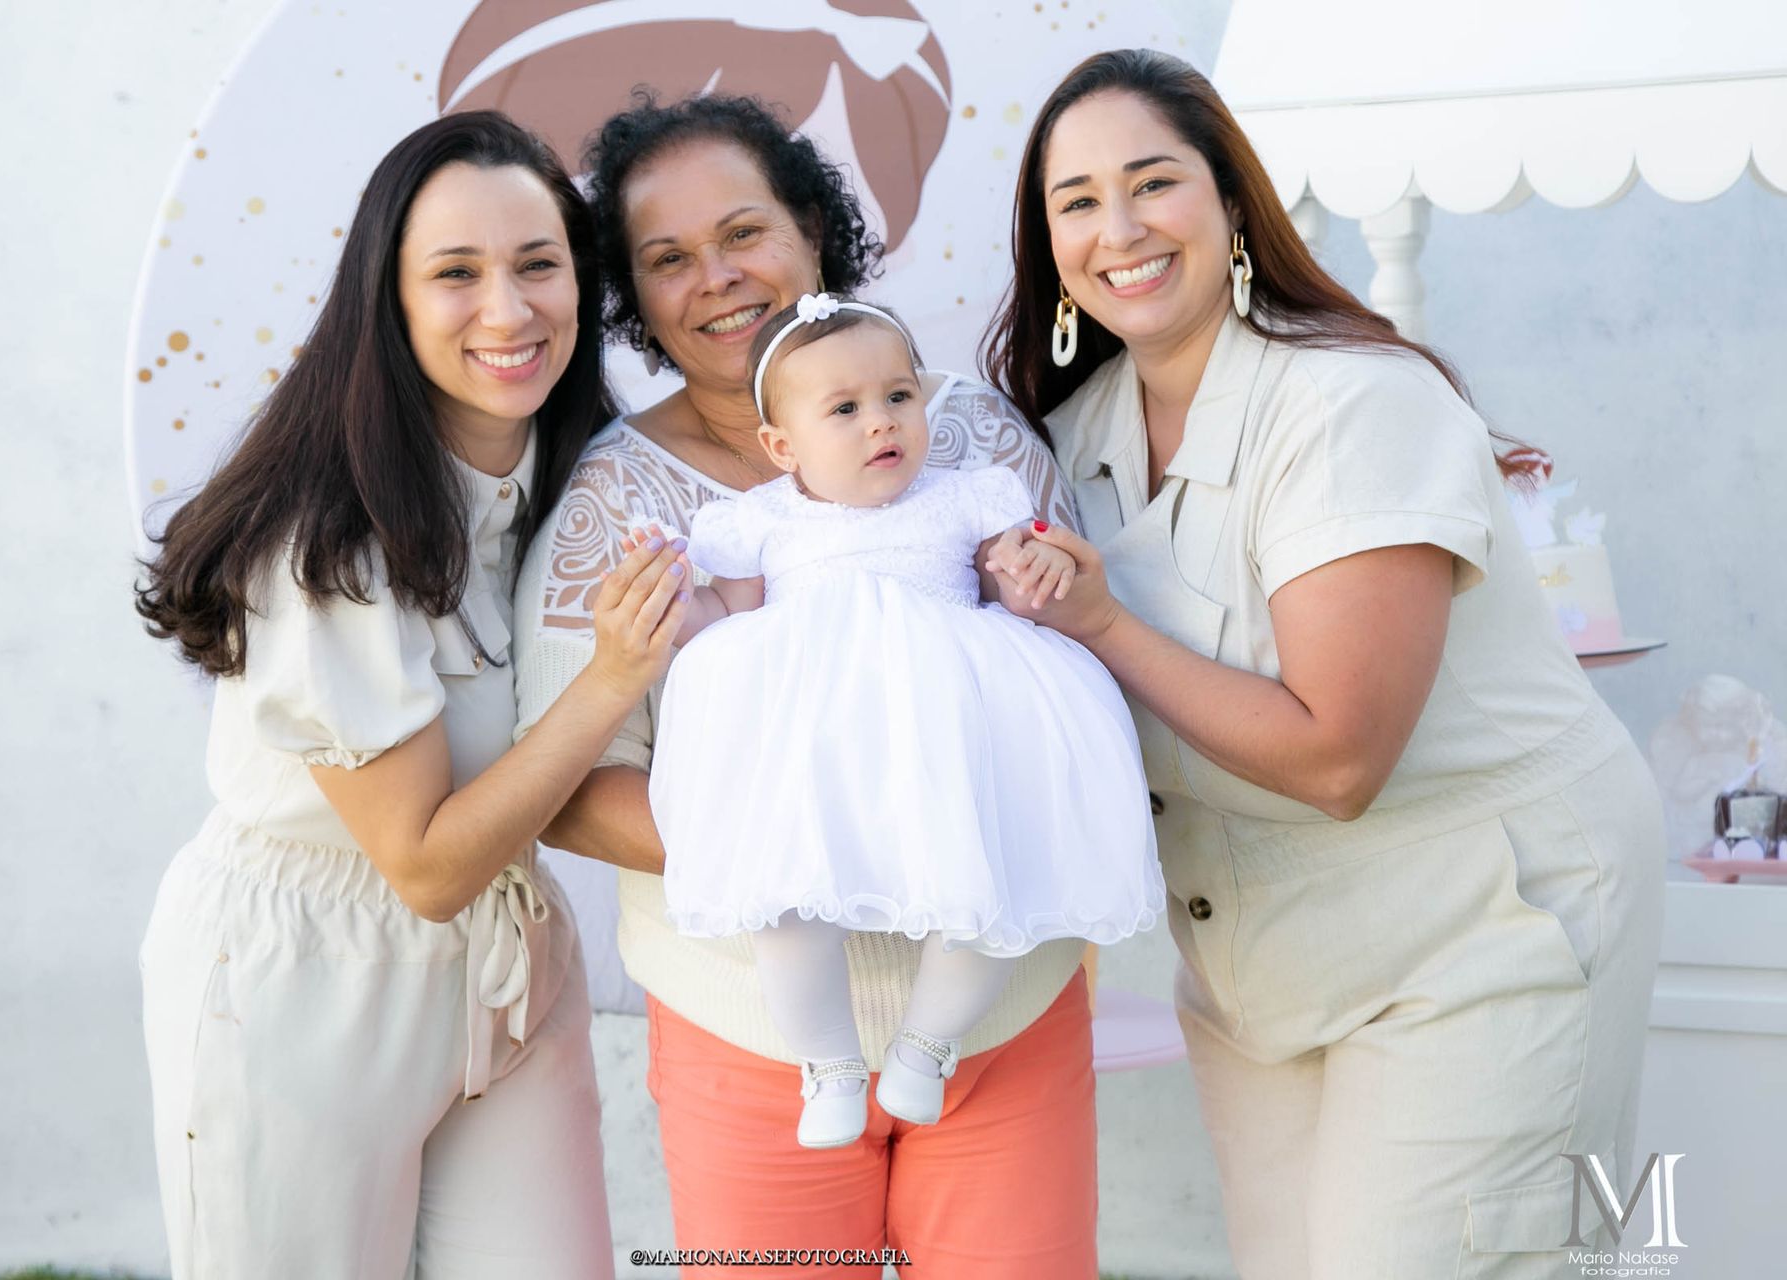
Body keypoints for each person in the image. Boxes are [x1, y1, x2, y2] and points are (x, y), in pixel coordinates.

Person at [983, 49, 1665, 1278]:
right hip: (1258, 960)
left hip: (1478, 927)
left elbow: (1341, 755)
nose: (1119, 228)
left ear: (1233, 202)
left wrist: (1102, 626)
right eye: (1076, 201)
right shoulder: (1066, 435)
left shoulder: (1353, 402)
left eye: (1154, 182)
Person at [511, 94, 1101, 1277]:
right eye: (667, 259)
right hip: (752, 1034)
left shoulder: (971, 438)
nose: (718, 278)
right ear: (632, 295)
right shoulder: (617, 504)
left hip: (1002, 1009)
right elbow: (569, 787)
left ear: (815, 234)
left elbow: (1075, 666)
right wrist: (820, 843)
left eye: (745, 233)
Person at [133, 111, 689, 1279]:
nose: (509, 308)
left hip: (512, 962)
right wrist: (607, 685)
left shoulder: (580, 479)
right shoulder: (324, 539)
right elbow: (429, 867)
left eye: (541, 264)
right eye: (456, 274)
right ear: (386, 300)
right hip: (303, 980)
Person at [635, 293, 1158, 1150]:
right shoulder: (763, 519)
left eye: (899, 396)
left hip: (949, 733)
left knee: (998, 884)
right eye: (844, 410)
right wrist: (667, 606)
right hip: (821, 748)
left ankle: (926, 1044)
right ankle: (830, 1062)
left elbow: (1001, 579)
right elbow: (721, 614)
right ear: (781, 445)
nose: (882, 423)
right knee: (787, 904)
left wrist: (1020, 569)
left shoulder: (966, 495)